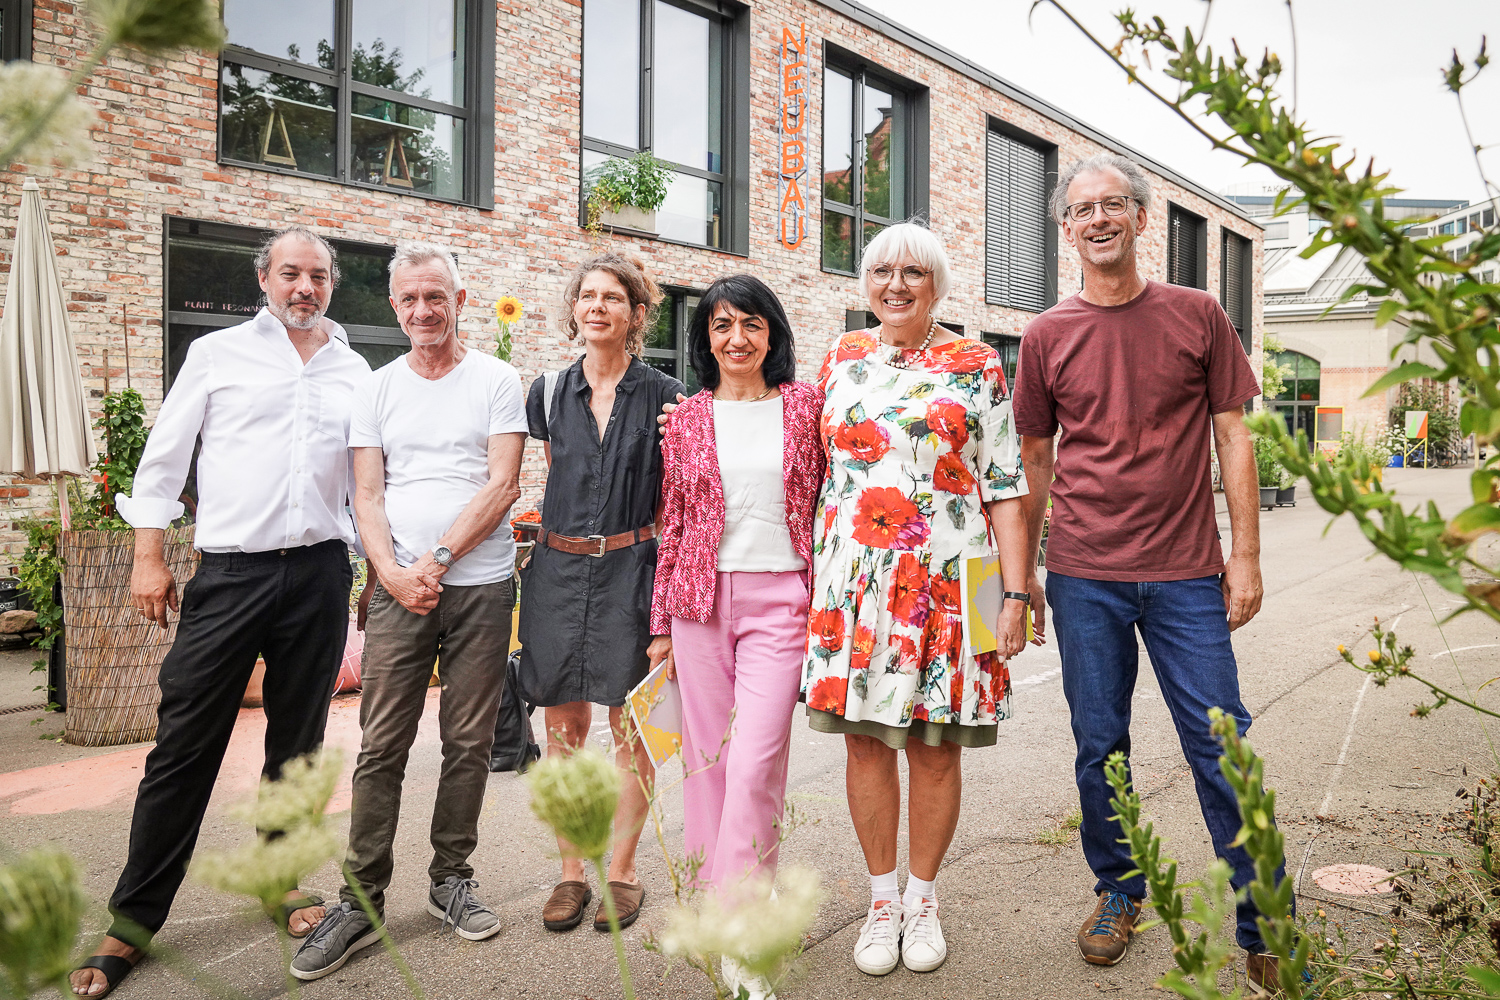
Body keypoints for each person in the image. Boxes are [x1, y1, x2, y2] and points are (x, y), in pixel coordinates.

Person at [1009, 153, 1285, 989]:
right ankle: (1119, 891)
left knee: (1221, 741)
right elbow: (1033, 465)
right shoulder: (1046, 336)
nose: (1098, 219)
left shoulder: (1200, 316)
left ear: (1140, 220)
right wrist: (1020, 586)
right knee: (1101, 747)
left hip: (1185, 574)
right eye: (1082, 209)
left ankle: (1264, 917)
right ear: (1066, 230)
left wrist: (1245, 554)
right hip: (1085, 574)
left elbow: (1233, 437)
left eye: (1113, 205)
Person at [71, 227, 371, 998]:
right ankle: (132, 919)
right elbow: (164, 458)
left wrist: (376, 568)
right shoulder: (217, 354)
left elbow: (370, 482)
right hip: (230, 575)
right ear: (264, 280)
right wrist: (148, 556)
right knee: (183, 746)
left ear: (331, 286)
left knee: (297, 745)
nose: (305, 287)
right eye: (291, 274)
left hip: (317, 575)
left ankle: (279, 878)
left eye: (318, 276)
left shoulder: (353, 369)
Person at [289, 242, 527, 979]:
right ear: (394, 306)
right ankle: (360, 901)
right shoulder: (378, 387)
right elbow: (367, 492)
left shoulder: (497, 378)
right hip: (397, 591)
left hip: (481, 586)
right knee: (381, 746)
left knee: (468, 741)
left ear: (461, 298)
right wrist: (390, 571)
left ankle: (450, 880)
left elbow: (503, 484)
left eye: (437, 296)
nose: (424, 310)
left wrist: (438, 562)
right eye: (409, 299)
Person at [802, 222, 1031, 978]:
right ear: (864, 282)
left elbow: (1005, 487)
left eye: (912, 273)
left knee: (935, 748)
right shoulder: (841, 356)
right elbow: (806, 465)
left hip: (951, 583)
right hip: (853, 587)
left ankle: (923, 898)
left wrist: (1015, 595)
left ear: (938, 285)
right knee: (865, 742)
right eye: (880, 271)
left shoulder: (976, 363)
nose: (895, 285)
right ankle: (879, 900)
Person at [648, 274, 826, 1000]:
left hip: (783, 597)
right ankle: (726, 917)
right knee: (706, 769)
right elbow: (675, 522)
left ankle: (744, 932)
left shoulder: (807, 406)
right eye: (722, 326)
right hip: (699, 604)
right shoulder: (685, 418)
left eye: (751, 324)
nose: (737, 339)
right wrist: (660, 627)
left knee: (755, 763)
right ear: (707, 339)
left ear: (773, 334)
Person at [518, 253, 684, 934]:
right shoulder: (548, 393)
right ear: (575, 310)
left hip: (632, 573)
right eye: (586, 296)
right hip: (557, 573)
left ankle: (621, 870)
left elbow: (678, 503)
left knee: (631, 729)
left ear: (636, 314)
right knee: (562, 731)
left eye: (612, 298)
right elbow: (560, 472)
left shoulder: (669, 396)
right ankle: (569, 874)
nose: (597, 308)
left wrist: (669, 606)